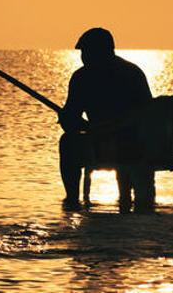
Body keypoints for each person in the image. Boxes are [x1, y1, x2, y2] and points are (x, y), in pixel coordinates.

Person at [58, 27, 153, 212]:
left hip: (129, 145)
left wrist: (80, 123)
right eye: (83, 53)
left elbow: (144, 115)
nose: (84, 57)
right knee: (68, 140)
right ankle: (71, 199)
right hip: (105, 143)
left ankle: (72, 200)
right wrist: (67, 117)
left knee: (68, 143)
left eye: (87, 52)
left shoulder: (87, 77)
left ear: (103, 51)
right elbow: (71, 122)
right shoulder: (83, 77)